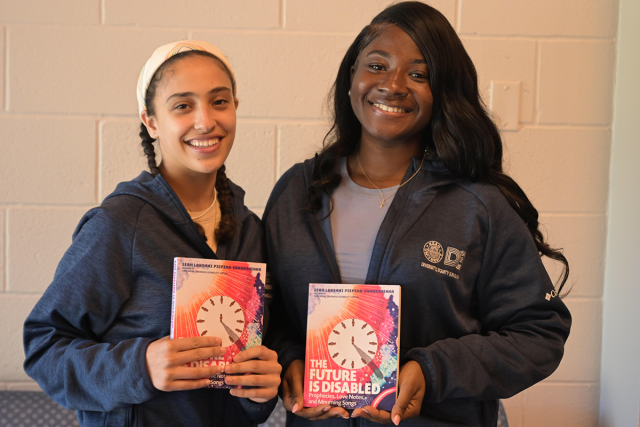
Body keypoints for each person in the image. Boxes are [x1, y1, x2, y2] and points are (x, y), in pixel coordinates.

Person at [262, 2, 571, 426]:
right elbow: (272, 314)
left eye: (419, 74)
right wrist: (290, 357)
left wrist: (432, 370)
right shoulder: (296, 191)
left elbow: (540, 332)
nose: (393, 85)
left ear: (443, 91)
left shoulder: (475, 204)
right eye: (376, 64)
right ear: (352, 75)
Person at [23, 40, 281, 427]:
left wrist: (260, 390)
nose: (205, 121)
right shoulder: (121, 223)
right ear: (151, 121)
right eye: (182, 106)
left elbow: (247, 374)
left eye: (219, 102)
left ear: (235, 108)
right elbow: (44, 348)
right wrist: (140, 366)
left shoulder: (250, 231)